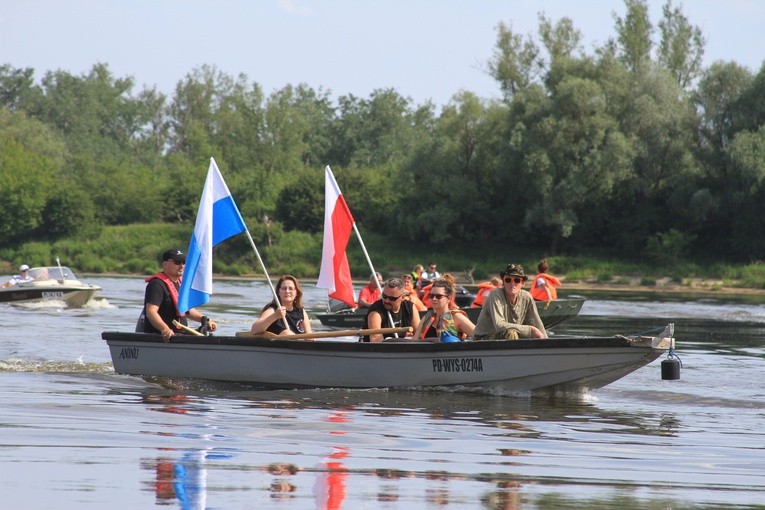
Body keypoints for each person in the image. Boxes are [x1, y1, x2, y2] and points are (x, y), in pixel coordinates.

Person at [139, 249, 218, 341]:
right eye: (177, 262)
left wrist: (205, 320)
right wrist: (165, 329)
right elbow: (151, 312)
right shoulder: (157, 284)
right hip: (162, 337)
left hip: (180, 335)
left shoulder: (181, 284)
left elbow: (187, 310)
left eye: (184, 262)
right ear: (165, 264)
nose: (182, 266)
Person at [473, 263, 547, 340]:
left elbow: (538, 325)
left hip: (505, 337)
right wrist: (530, 329)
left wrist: (546, 343)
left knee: (516, 333)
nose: (512, 284)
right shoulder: (496, 294)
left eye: (517, 280)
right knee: (512, 332)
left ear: (523, 283)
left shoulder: (527, 297)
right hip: (484, 339)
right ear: (503, 282)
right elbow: (499, 325)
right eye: (508, 280)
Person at [413, 274, 475, 341]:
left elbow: (479, 337)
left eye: (438, 296)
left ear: (448, 298)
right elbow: (415, 342)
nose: (434, 299)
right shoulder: (426, 318)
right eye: (431, 295)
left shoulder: (456, 317)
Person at [361, 277, 421, 342]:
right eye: (384, 296)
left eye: (392, 298)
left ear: (403, 297)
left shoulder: (409, 307)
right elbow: (376, 339)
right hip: (377, 349)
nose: (387, 301)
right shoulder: (376, 311)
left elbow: (419, 334)